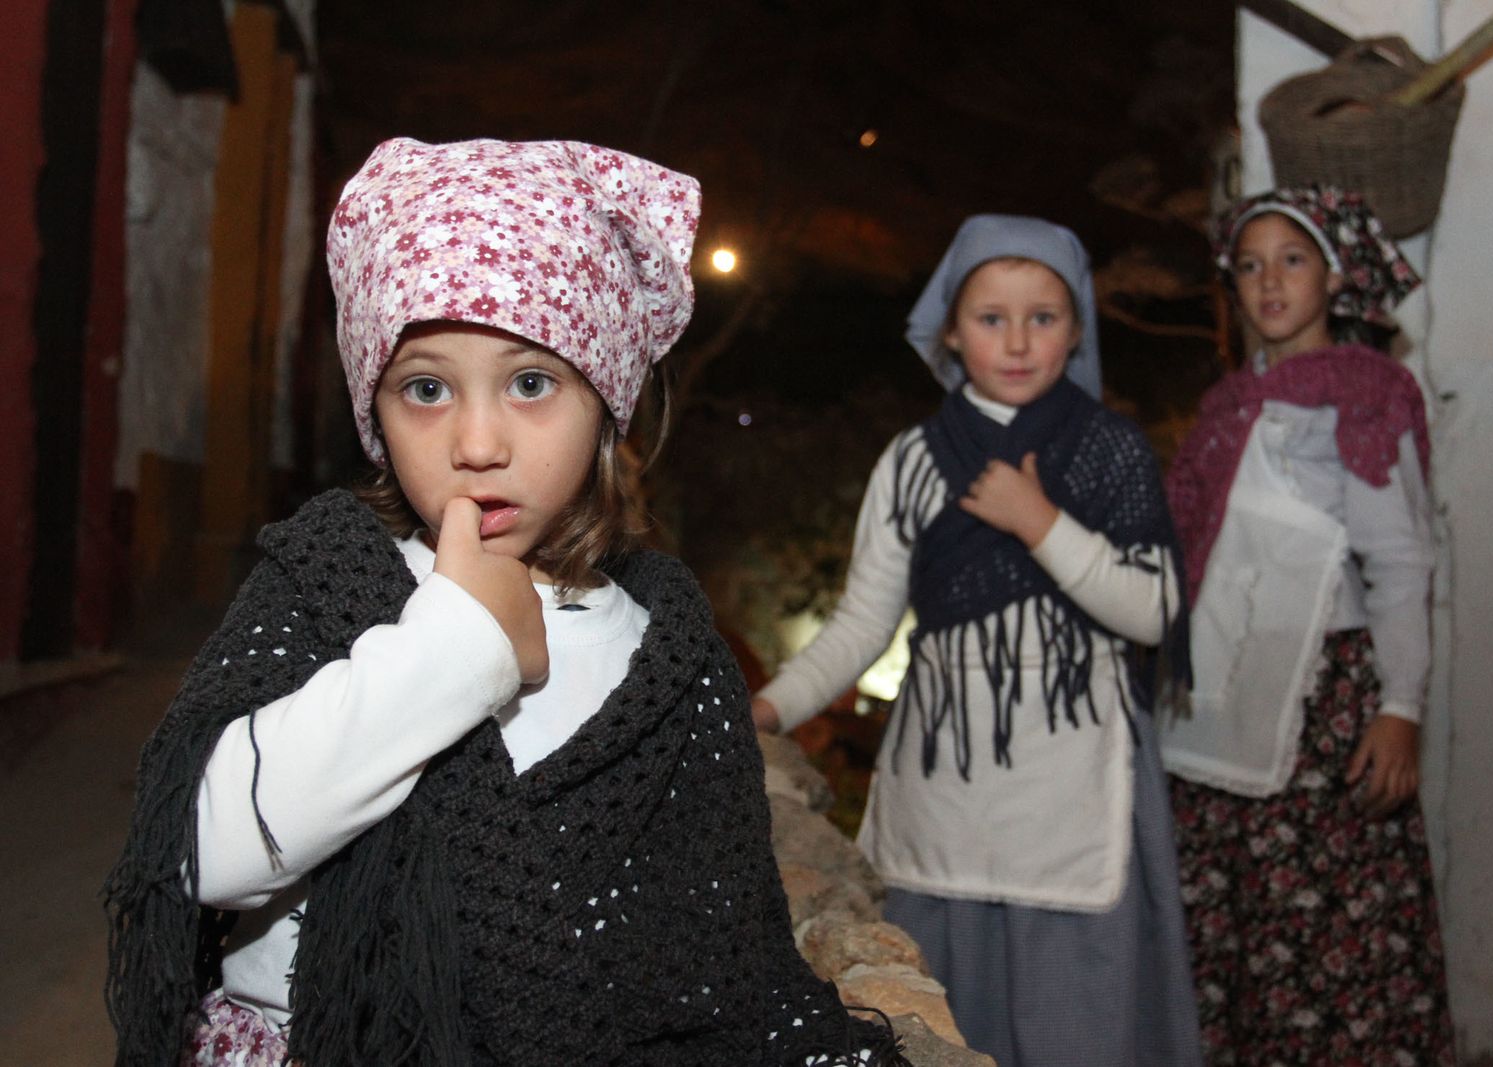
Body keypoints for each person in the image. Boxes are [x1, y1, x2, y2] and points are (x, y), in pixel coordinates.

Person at [103, 137, 898, 1067]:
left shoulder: (666, 659)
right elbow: (201, 851)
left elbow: (709, 969)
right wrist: (451, 646)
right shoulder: (324, 577)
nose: (478, 442)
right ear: (375, 409)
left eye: (531, 382)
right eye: (427, 388)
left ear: (606, 402)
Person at [752, 214, 1202, 1067]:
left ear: (1077, 332)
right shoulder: (915, 459)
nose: (1020, 339)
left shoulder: (1111, 451)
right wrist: (767, 706)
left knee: (1080, 1027)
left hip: (1076, 782)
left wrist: (1041, 524)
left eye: (1045, 315)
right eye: (993, 316)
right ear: (952, 332)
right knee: (939, 1017)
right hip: (946, 791)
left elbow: (1152, 611)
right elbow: (860, 623)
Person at [1161, 186, 1455, 1065]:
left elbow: (1402, 563)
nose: (1269, 282)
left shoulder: (1363, 398)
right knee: (1238, 932)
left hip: (1327, 711)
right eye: (1249, 266)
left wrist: (1399, 705)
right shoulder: (1225, 410)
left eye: (1292, 259)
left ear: (1334, 274)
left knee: (1337, 935)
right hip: (1224, 696)